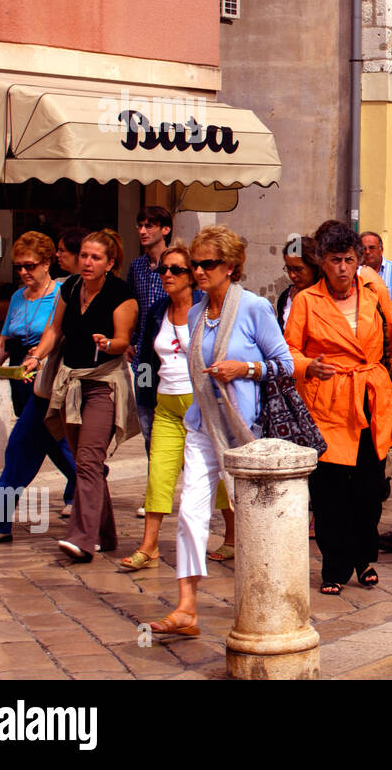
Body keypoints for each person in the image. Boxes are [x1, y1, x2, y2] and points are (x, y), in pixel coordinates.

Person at [144, 226, 293, 636]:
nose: (198, 270)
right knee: (190, 512)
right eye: (196, 263)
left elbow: (286, 364)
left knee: (252, 519)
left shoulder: (254, 308)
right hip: (201, 425)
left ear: (230, 266)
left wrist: (244, 368)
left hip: (244, 433)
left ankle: (266, 600)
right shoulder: (195, 313)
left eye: (207, 263)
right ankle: (187, 606)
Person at [286, 222, 392, 594]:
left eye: (349, 260)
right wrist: (309, 366)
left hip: (373, 399)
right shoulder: (307, 301)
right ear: (322, 262)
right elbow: (287, 352)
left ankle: (364, 557)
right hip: (328, 402)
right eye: (335, 260)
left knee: (371, 489)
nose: (342, 268)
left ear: (359, 261)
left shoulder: (374, 293)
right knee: (329, 492)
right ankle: (334, 566)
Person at [23, 229, 140, 563]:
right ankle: (105, 534)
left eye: (95, 258)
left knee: (88, 459)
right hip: (69, 383)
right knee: (86, 461)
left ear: (110, 263)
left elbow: (122, 340)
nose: (87, 262)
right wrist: (36, 357)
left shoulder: (122, 295)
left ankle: (81, 539)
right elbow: (54, 330)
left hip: (103, 383)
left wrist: (107, 344)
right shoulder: (70, 287)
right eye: (84, 256)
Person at [121, 245, 236, 571]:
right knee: (158, 473)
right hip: (166, 404)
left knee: (217, 475)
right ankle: (149, 545)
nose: (166, 275)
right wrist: (144, 395)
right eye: (163, 270)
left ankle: (231, 536)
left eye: (176, 270)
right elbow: (145, 353)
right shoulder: (158, 309)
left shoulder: (207, 308)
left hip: (202, 404)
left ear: (192, 275)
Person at [0, 232, 77, 543]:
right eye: (19, 267)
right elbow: (3, 343)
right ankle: (94, 497)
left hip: (49, 385)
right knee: (64, 451)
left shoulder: (62, 295)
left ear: (46, 263)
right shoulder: (16, 298)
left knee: (19, 449)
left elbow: (59, 339)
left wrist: (38, 360)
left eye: (29, 266)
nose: (24, 272)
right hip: (21, 385)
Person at [126, 207, 173, 517]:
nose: (143, 231)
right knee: (147, 423)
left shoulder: (177, 264)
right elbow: (131, 304)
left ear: (165, 230)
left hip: (173, 355)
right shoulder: (137, 267)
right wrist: (128, 339)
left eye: (150, 226)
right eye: (140, 225)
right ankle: (154, 489)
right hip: (144, 357)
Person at [276, 235, 321, 331]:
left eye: (298, 269)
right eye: (288, 269)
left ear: (314, 267)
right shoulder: (285, 297)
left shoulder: (327, 296)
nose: (292, 275)